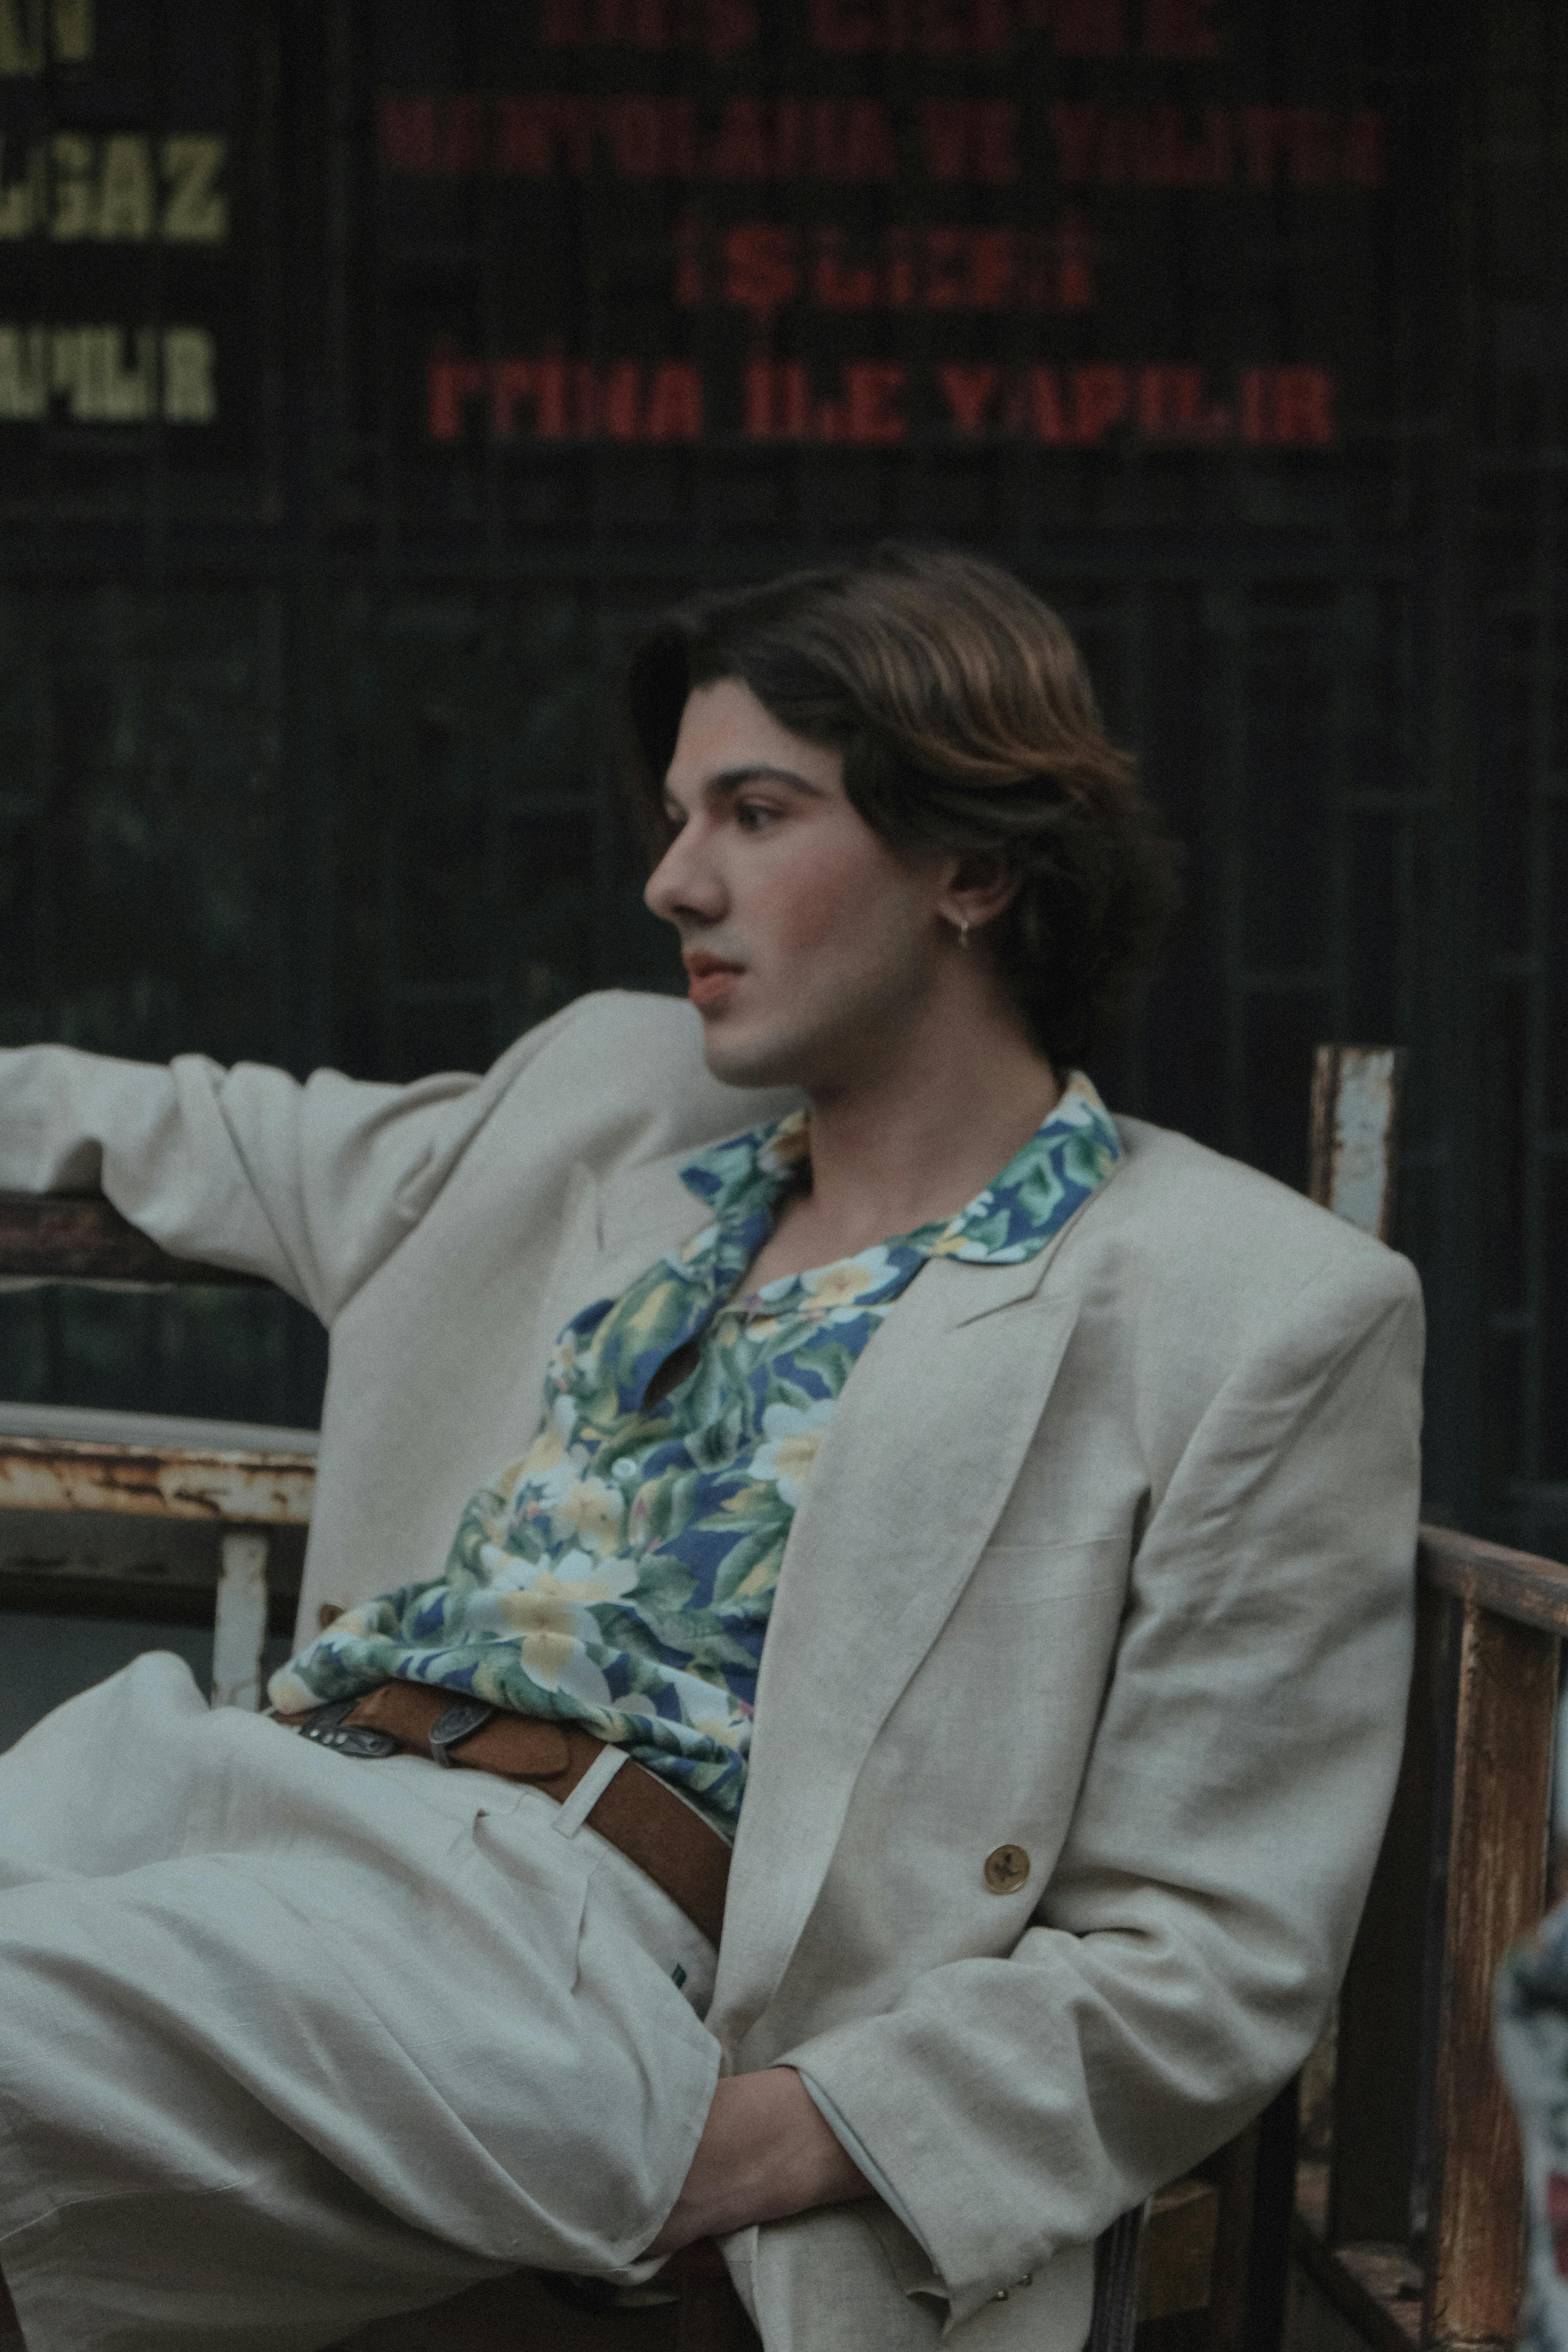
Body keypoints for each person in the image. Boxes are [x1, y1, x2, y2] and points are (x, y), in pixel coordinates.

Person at [0, 547, 1422, 2352]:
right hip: (227, 1805)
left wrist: (751, 2152)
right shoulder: (618, 1103)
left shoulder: (1249, 1304)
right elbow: (175, 1131)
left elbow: (1206, 1954)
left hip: (558, 1944)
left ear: (972, 865)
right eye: (680, 814)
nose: (675, 880)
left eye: (756, 812)